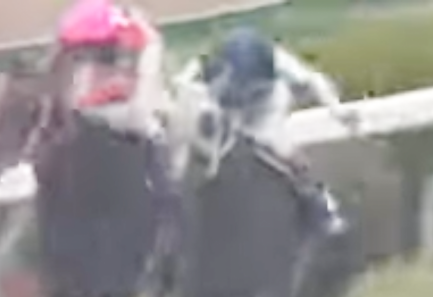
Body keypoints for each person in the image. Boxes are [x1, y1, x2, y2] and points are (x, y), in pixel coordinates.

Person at [173, 26, 349, 238]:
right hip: (224, 105)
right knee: (199, 147)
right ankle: (175, 202)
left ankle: (318, 203)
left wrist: (336, 109)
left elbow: (314, 80)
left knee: (279, 149)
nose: (247, 92)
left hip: (266, 104)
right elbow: (181, 89)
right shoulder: (205, 66)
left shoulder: (280, 61)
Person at [44, 0, 179, 219]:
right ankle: (166, 197)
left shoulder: (73, 42)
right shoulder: (123, 39)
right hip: (106, 117)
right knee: (153, 131)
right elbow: (139, 107)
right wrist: (151, 43)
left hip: (81, 115)